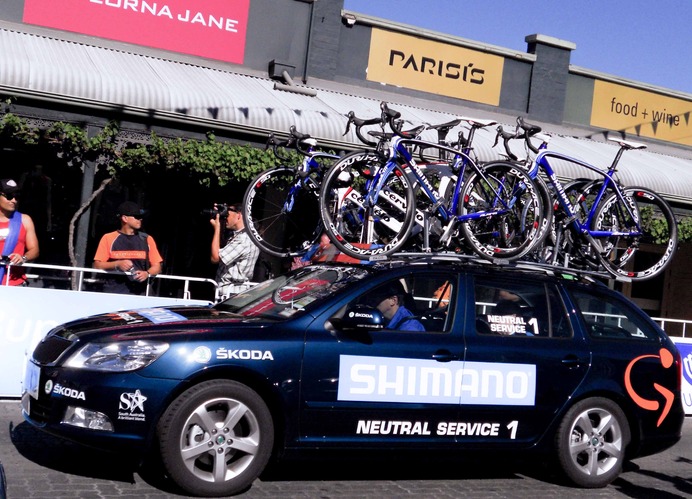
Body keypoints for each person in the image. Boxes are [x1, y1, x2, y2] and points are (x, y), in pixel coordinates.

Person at [93, 201, 163, 294]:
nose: (140, 219)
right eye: (136, 217)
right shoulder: (108, 238)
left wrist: (147, 273)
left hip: (140, 293)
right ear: (125, 218)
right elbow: (97, 265)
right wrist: (117, 264)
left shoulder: (147, 239)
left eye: (141, 217)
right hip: (113, 293)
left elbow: (157, 266)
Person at [210, 203, 260, 298]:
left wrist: (217, 229)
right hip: (234, 293)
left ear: (239, 215)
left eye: (227, 215)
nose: (226, 218)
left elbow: (215, 258)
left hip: (231, 294)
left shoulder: (243, 239)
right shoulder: (247, 235)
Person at [0, 179, 39, 286]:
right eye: (9, 196)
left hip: (15, 283)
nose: (13, 200)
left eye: (16, 196)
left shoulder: (25, 220)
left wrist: (23, 257)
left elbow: (34, 250)